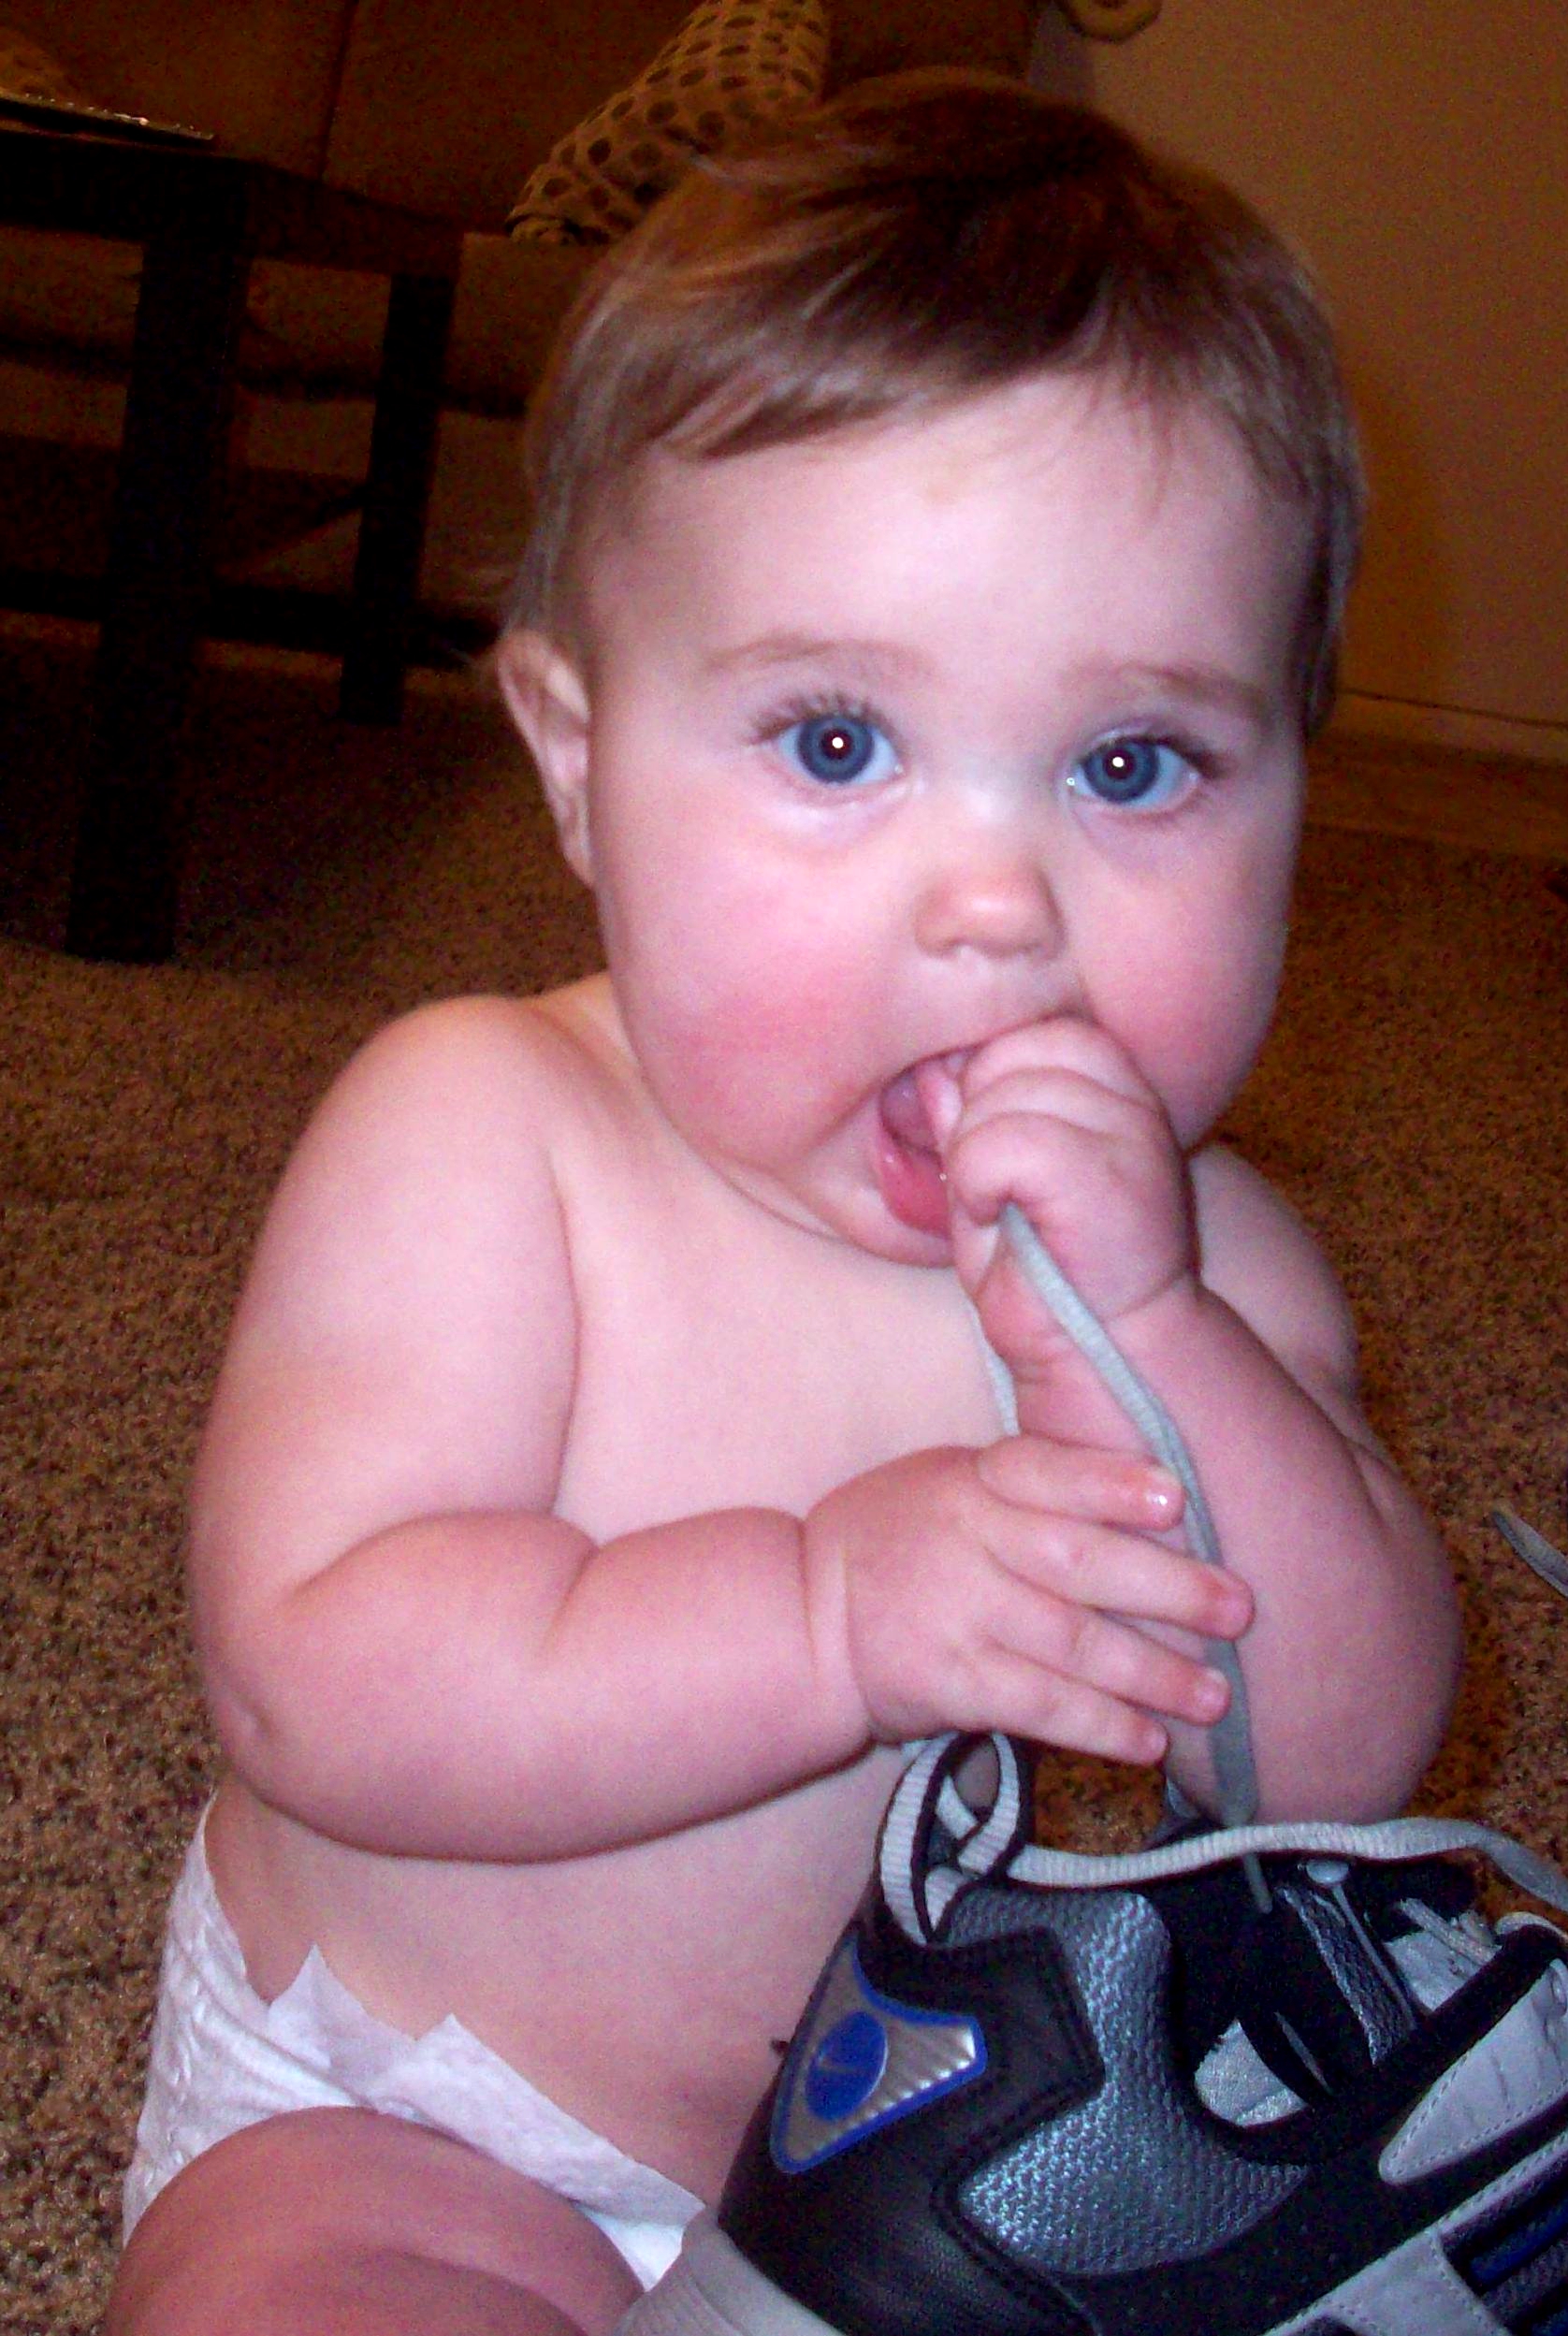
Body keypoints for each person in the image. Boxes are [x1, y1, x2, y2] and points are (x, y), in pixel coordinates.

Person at [105, 71, 1461, 2336]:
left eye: (1132, 765)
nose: (994, 906)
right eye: (838, 744)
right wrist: (829, 1614)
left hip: (925, 2173)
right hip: (416, 2112)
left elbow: (1334, 1758)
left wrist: (1162, 1340)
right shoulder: (486, 1131)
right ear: (579, 768)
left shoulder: (1204, 1262)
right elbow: (315, 1674)